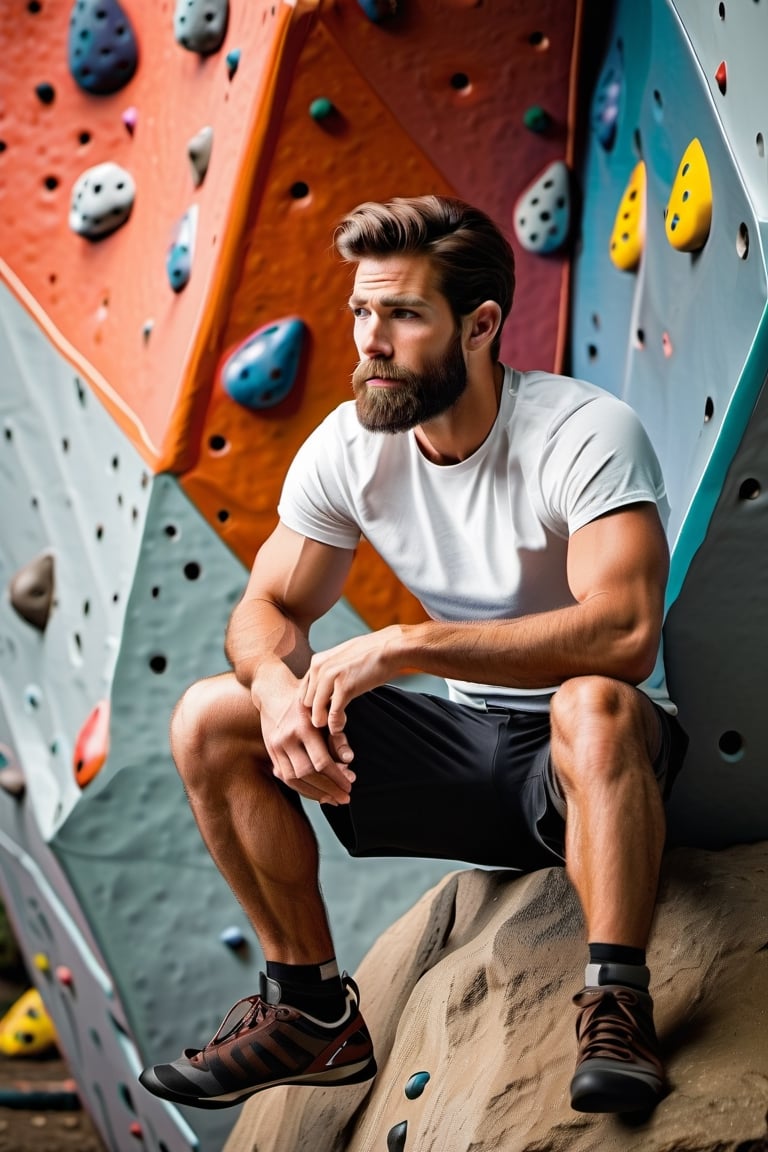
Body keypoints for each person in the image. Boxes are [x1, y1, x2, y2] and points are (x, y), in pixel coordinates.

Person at [139, 195, 688, 1116]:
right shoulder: (352, 446)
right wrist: (276, 690)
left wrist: (403, 646)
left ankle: (618, 1005)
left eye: (402, 315)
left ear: (479, 327)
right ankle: (312, 1013)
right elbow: (266, 607)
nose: (370, 340)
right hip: (467, 751)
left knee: (586, 702)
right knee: (212, 716)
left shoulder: (582, 433)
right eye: (361, 310)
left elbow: (625, 633)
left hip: (593, 762)